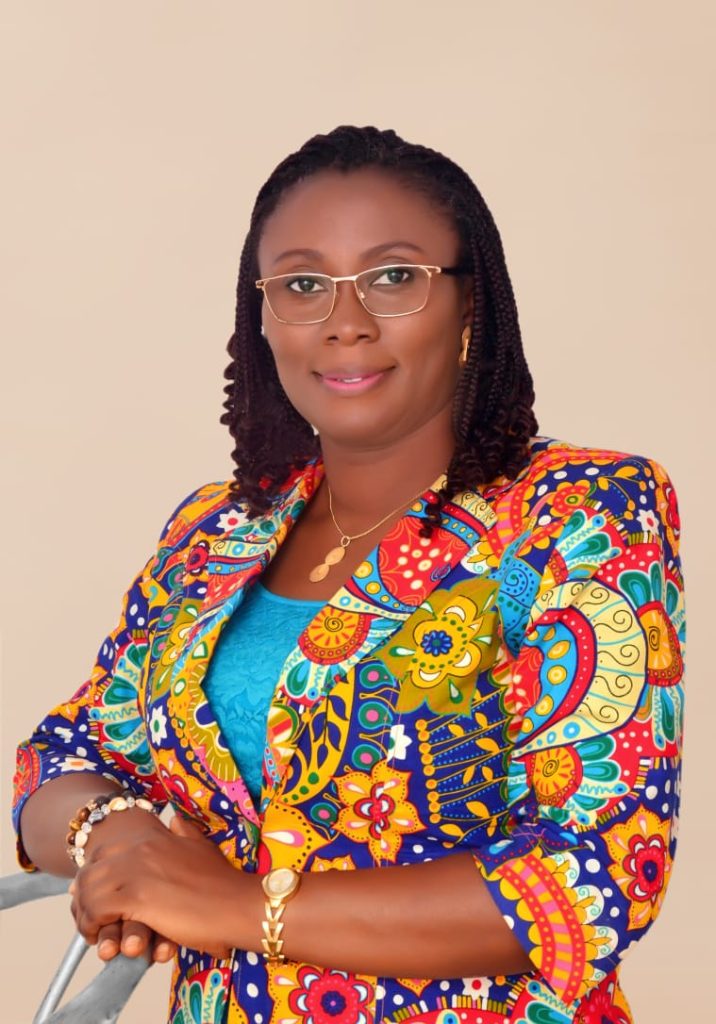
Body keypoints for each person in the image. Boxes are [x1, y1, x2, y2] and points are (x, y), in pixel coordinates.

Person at [12, 125, 685, 1024]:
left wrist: (230, 908)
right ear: (262, 317)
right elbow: (62, 759)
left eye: (394, 276)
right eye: (302, 285)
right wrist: (118, 837)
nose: (346, 321)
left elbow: (593, 880)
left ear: (471, 302)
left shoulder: (573, 513)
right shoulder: (217, 530)